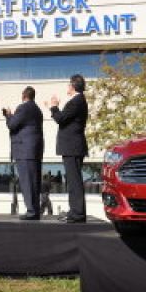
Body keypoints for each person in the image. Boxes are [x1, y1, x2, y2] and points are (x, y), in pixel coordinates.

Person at [50, 74, 89, 223]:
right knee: (73, 181)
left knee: (74, 181)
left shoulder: (76, 101)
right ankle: (75, 211)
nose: (67, 87)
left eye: (68, 85)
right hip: (72, 146)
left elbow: (61, 119)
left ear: (73, 86)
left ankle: (78, 213)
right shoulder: (78, 101)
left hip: (72, 146)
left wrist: (53, 107)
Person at [4, 86, 44, 220]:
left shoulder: (23, 108)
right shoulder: (37, 109)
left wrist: (9, 115)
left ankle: (31, 211)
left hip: (24, 150)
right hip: (34, 150)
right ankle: (35, 210)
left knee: (27, 181)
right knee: (34, 181)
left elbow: (12, 125)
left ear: (24, 95)